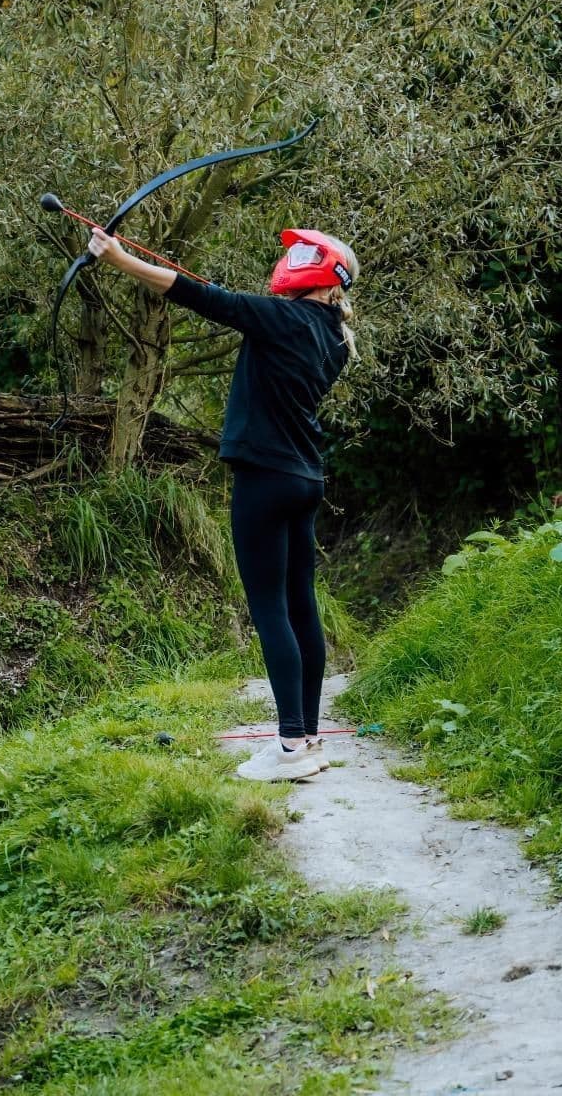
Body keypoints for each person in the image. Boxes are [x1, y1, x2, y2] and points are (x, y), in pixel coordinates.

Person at [86, 224, 358, 782]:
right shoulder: (331, 336)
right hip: (306, 479)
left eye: (303, 253)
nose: (291, 258)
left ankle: (290, 749)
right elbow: (224, 301)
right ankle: (307, 737)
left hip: (265, 477)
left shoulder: (283, 319)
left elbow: (198, 295)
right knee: (300, 605)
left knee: (270, 608)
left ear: (322, 272)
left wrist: (117, 258)